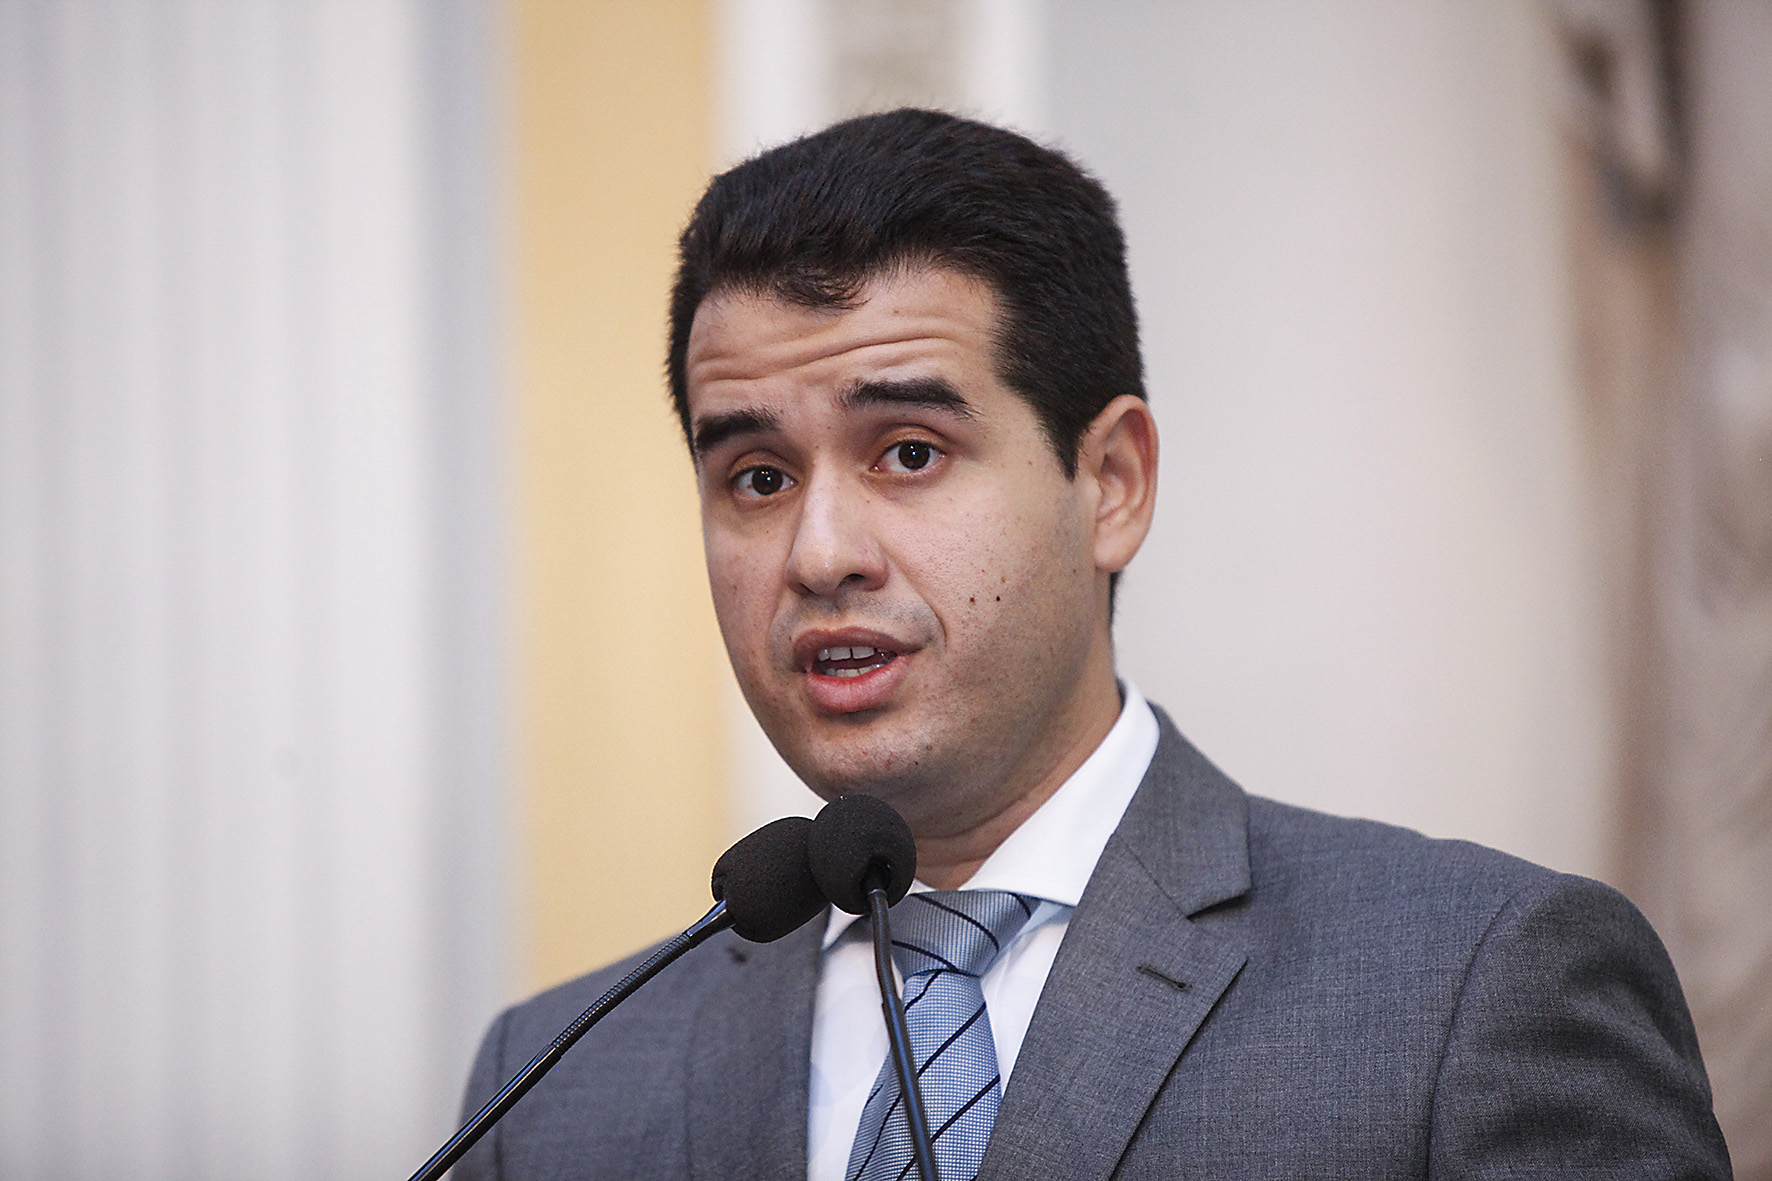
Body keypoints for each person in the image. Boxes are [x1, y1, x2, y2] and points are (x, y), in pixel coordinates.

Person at [456, 109, 1731, 1180]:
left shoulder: (1471, 994)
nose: (818, 550)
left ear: (1110, 480)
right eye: (753, 475)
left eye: (909, 451)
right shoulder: (558, 1085)